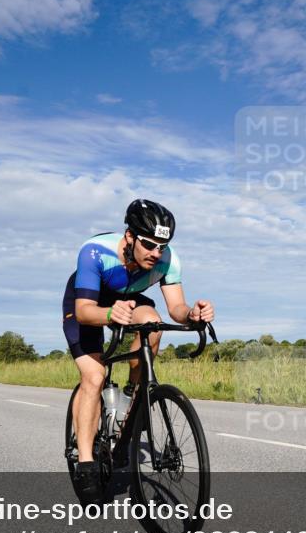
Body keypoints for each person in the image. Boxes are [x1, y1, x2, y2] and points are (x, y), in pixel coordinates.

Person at [62, 199, 214, 497]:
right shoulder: (95, 252)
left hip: (128, 300)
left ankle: (133, 397)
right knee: (94, 376)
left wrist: (193, 315)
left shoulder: (168, 259)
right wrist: (109, 314)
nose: (156, 253)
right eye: (148, 244)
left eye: (162, 246)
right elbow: (84, 310)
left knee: (153, 323)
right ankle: (86, 462)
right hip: (88, 303)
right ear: (129, 236)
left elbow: (176, 308)